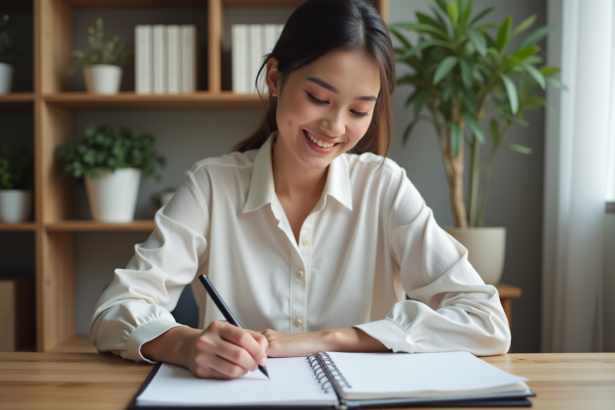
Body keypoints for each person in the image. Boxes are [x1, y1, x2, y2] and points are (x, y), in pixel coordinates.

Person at [89, 0, 511, 380]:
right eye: (317, 97)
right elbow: (115, 310)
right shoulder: (212, 185)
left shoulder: (384, 186)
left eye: (360, 110)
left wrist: (329, 339)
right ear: (275, 77)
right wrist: (185, 344)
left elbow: (485, 319)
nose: (335, 127)